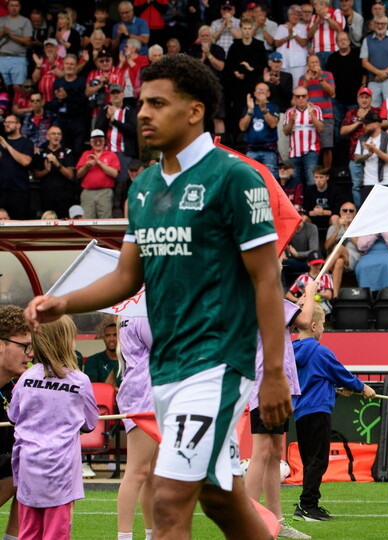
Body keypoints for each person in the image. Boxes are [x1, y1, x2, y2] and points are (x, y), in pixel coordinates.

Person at [23, 54, 292, 539]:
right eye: (141, 102)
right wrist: (63, 302)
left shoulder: (235, 179)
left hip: (218, 367)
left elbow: (266, 281)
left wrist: (272, 373)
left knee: (168, 501)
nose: (142, 113)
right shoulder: (144, 187)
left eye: (157, 103)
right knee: (221, 499)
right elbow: (128, 276)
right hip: (167, 371)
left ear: (194, 111)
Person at [9, 315, 98, 540]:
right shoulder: (79, 380)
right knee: (56, 533)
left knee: (28, 532)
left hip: (28, 466)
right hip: (61, 470)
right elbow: (90, 423)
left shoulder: (25, 377)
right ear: (66, 341)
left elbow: (13, 415)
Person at [293, 301, 376, 520]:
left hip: (301, 413)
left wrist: (336, 390)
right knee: (318, 461)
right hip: (318, 412)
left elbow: (314, 380)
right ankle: (307, 505)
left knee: (310, 460)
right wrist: (362, 387)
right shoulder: (320, 352)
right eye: (322, 325)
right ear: (312, 325)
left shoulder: (291, 352)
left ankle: (308, 503)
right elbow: (341, 373)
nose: (323, 329)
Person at [245, 294, 309, 540]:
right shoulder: (267, 297)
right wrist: (312, 292)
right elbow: (304, 322)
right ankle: (249, 520)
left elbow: (290, 321)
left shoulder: (269, 301)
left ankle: (275, 521)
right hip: (266, 385)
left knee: (274, 451)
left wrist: (299, 304)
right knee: (262, 451)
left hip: (276, 384)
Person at [115, 316, 159, 540]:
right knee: (138, 471)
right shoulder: (141, 310)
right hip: (145, 395)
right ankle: (124, 536)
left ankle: (152, 535)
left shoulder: (135, 309)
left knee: (151, 473)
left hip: (155, 393)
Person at [0, 305, 33, 540]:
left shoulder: (16, 388)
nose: (30, 354)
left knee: (30, 465)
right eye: (24, 347)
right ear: (0, 346)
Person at [95, 84, 140, 218]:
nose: (115, 96)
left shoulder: (130, 110)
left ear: (123, 94)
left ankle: (122, 211)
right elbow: (98, 129)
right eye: (113, 93)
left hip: (124, 153)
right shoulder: (104, 109)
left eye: (118, 93)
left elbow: (132, 129)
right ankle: (109, 212)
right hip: (108, 153)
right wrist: (107, 117)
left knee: (123, 183)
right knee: (107, 184)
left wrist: (114, 121)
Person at [224, 18, 268, 146]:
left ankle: (254, 140)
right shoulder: (235, 45)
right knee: (237, 112)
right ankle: (236, 141)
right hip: (237, 86)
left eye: (249, 29)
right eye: (245, 29)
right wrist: (236, 73)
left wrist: (250, 69)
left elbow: (263, 66)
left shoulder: (258, 45)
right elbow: (229, 65)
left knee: (254, 111)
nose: (247, 31)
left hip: (253, 85)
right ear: (241, 29)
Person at [298, 53, 336, 172]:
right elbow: (299, 95)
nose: (315, 65)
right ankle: (313, 175)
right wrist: (306, 81)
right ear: (307, 65)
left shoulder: (327, 75)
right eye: (312, 62)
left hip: (326, 116)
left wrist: (320, 79)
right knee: (311, 149)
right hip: (308, 117)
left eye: (316, 62)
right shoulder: (302, 78)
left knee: (327, 146)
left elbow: (331, 92)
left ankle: (326, 173)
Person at [325, 31, 365, 138]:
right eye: (340, 40)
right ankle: (340, 152)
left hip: (354, 98)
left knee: (355, 123)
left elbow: (364, 73)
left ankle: (353, 150)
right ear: (336, 43)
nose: (343, 42)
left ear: (349, 41)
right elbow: (328, 76)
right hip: (338, 99)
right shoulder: (332, 58)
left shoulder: (357, 54)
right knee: (338, 124)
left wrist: (363, 85)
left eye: (345, 39)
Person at [360, 15, 388, 107]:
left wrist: (385, 73)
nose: (380, 26)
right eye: (377, 23)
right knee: (372, 108)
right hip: (373, 80)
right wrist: (379, 73)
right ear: (373, 24)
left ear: (387, 24)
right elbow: (364, 62)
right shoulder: (367, 40)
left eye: (383, 24)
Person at [33, 125, 77, 219]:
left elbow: (70, 175)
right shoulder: (41, 153)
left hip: (64, 196)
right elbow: (36, 175)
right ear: (47, 136)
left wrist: (57, 163)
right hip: (47, 195)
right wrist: (47, 170)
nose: (56, 136)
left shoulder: (67, 152)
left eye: (59, 134)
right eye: (53, 134)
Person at [284, 85, 324, 188]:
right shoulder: (289, 112)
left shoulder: (316, 109)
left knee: (311, 180)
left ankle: (311, 203)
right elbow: (285, 132)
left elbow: (320, 129)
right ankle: (297, 204)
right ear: (294, 98)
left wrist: (312, 115)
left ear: (307, 96)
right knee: (294, 182)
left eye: (303, 96)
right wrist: (292, 121)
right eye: (298, 96)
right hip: (294, 152)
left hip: (311, 150)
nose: (301, 98)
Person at [354, 110, 388, 202]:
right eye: (363, 124)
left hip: (386, 183)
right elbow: (356, 158)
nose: (364, 126)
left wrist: (375, 150)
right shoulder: (362, 138)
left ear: (376, 124)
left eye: (367, 124)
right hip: (367, 183)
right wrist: (368, 154)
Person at [341, 87, 375, 205]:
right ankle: (359, 211)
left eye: (367, 97)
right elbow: (343, 131)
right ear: (357, 99)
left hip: (373, 154)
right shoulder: (351, 113)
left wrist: (366, 118)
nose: (364, 100)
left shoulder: (376, 112)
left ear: (371, 99)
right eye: (362, 97)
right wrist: (359, 121)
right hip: (355, 155)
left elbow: (382, 126)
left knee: (374, 186)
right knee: (356, 186)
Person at [77, 129, 121, 220]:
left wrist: (99, 163)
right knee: (87, 220)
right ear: (91, 142)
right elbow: (78, 174)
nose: (98, 143)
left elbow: (115, 174)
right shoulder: (86, 154)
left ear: (104, 141)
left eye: (100, 141)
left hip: (105, 192)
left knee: (105, 219)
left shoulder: (111, 155)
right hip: (88, 192)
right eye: (95, 141)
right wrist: (86, 166)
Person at [240, 82, 281, 178]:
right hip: (252, 150)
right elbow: (242, 127)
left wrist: (264, 109)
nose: (261, 92)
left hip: (269, 151)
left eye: (263, 90)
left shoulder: (274, 107)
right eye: (258, 90)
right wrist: (250, 111)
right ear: (254, 93)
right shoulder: (248, 107)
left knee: (270, 181)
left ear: (268, 94)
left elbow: (273, 124)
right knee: (250, 179)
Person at [0, 113, 35, 219]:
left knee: (19, 222)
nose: (6, 125)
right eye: (5, 122)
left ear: (18, 125)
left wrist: (7, 146)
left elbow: (25, 162)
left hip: (19, 191)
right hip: (2, 191)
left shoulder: (26, 143)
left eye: (10, 122)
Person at [325, 201, 361, 292]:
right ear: (340, 213)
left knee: (339, 248)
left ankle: (321, 273)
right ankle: (335, 296)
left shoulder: (359, 228)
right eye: (345, 210)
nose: (348, 213)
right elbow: (326, 246)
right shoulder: (333, 228)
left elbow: (359, 246)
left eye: (351, 211)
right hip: (336, 258)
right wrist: (338, 228)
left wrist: (347, 228)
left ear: (355, 214)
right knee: (339, 262)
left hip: (352, 257)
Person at [0, 0, 33, 93]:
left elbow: (27, 40)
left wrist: (10, 35)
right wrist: (3, 33)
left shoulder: (25, 21)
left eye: (16, 6)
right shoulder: (1, 20)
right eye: (12, 5)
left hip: (18, 58)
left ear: (20, 7)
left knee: (18, 88)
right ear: (8, 7)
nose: (14, 8)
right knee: (2, 87)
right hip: (2, 57)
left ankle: (17, 107)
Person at [273, 5, 310, 85]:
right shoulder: (281, 27)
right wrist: (287, 38)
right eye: (293, 14)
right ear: (288, 16)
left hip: (298, 63)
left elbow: (303, 42)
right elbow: (276, 43)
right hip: (284, 63)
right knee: (283, 85)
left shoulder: (303, 27)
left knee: (297, 85)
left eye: (298, 15)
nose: (295, 17)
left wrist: (293, 33)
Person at [83, 320, 120, 387]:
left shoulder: (127, 360)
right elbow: (92, 387)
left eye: (115, 335)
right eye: (108, 335)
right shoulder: (93, 360)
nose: (111, 339)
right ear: (103, 338)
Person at [308, 0, 344, 66]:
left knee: (333, 74)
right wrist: (317, 21)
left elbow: (339, 28)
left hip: (333, 50)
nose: (314, 7)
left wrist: (325, 16)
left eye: (316, 4)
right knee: (319, 75)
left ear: (323, 4)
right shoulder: (314, 17)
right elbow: (309, 35)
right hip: (316, 51)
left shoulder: (336, 12)